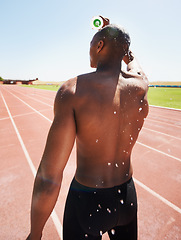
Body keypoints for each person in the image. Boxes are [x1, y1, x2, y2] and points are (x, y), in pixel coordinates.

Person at [26, 17, 148, 240]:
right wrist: (122, 45)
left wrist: (35, 234)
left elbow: (49, 177)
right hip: (126, 197)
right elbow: (134, 64)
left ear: (99, 45)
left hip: (88, 201)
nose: (90, 49)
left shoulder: (73, 92)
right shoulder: (140, 85)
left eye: (92, 44)